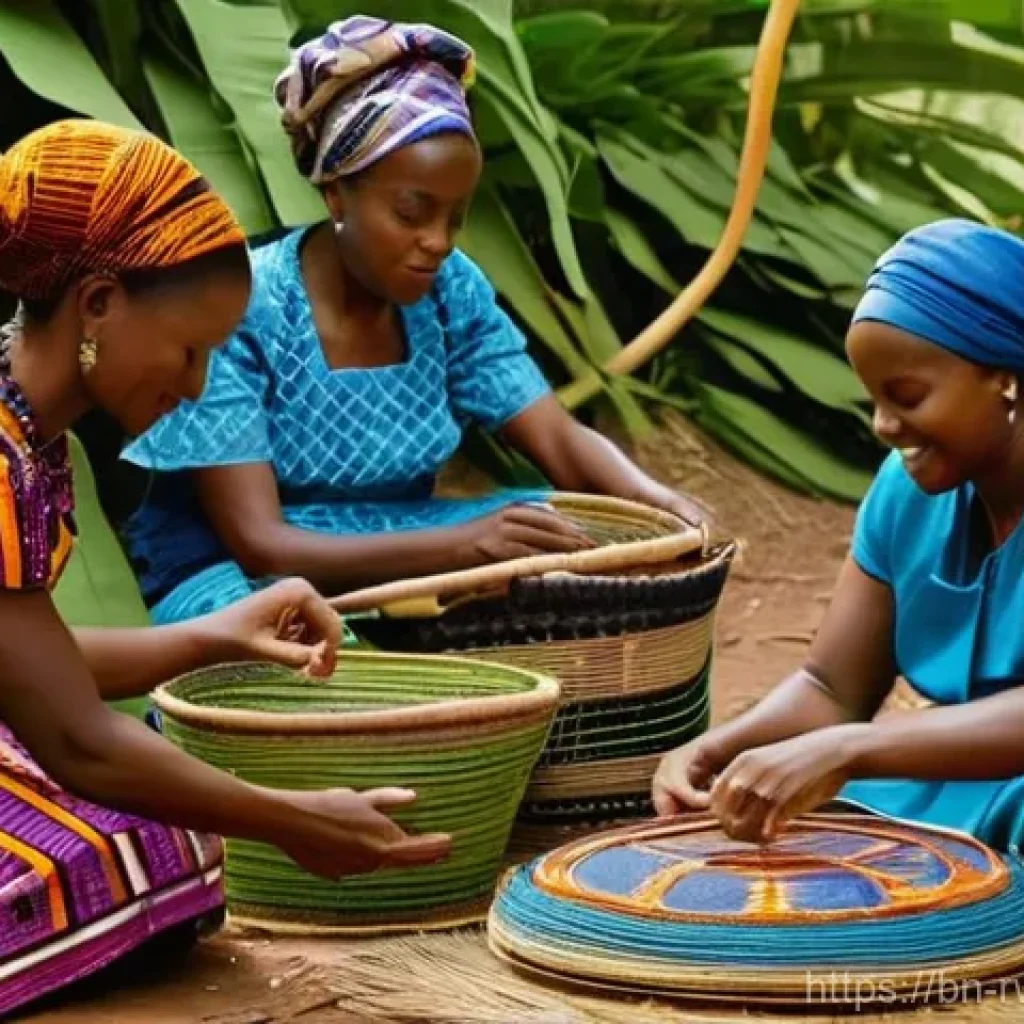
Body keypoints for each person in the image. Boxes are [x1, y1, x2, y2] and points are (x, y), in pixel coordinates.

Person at [0, 119, 449, 1016]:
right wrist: (293, 818)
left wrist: (211, 639)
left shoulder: (26, 431)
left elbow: (29, 670)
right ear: (97, 305)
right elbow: (76, 735)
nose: (200, 385)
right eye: (189, 350)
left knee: (165, 849)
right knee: (118, 857)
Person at [121, 16, 706, 625]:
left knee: (569, 539)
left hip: (393, 543)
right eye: (411, 212)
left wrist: (658, 506)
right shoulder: (243, 302)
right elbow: (259, 541)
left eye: (455, 218)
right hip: (233, 566)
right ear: (336, 193)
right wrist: (462, 546)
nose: (437, 242)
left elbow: (558, 440)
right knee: (307, 665)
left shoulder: (451, 292)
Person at [653, 218, 1024, 854]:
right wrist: (717, 748)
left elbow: (846, 731)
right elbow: (833, 686)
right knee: (820, 828)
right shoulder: (905, 491)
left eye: (906, 395)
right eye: (873, 398)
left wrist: (851, 749)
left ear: (1006, 379)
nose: (883, 424)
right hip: (954, 780)